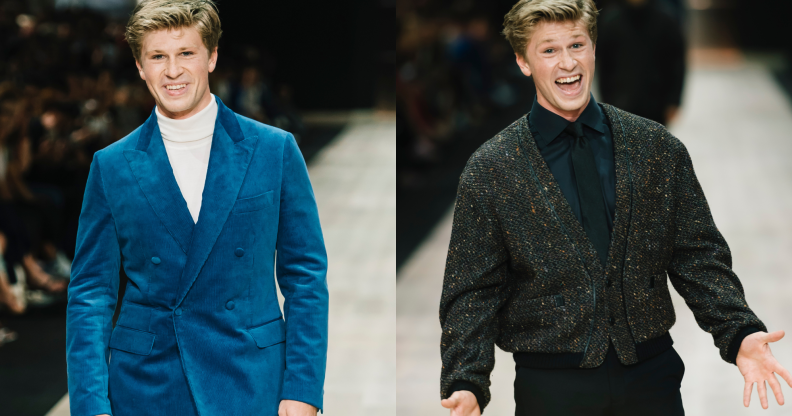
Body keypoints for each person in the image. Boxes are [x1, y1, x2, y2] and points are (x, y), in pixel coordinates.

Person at [438, 1, 792, 415]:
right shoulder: (492, 169)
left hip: (652, 381)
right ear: (522, 62)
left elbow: (698, 255)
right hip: (551, 388)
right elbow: (472, 291)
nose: (567, 62)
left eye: (577, 44)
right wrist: (467, 380)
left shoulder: (655, 147)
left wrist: (739, 332)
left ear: (593, 48)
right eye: (549, 50)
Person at [65, 1, 329, 416]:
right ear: (139, 65)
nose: (173, 71)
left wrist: (303, 390)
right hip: (147, 386)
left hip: (249, 379)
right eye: (158, 56)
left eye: (186, 53)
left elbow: (305, 277)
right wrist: (90, 404)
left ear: (212, 56)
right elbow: (91, 293)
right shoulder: (112, 165)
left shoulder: (273, 150)